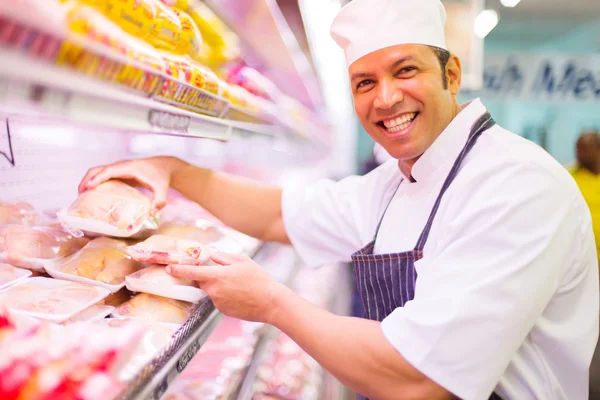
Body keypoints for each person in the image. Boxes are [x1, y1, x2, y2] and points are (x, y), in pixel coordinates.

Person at [79, 0, 599, 398]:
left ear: (452, 74)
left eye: (406, 70)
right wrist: (172, 169)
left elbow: (421, 381)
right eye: (364, 82)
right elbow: (278, 214)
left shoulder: (516, 186)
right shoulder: (398, 180)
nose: (386, 98)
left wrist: (273, 303)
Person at [569, 130, 600, 257]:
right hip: (581, 255)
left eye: (584, 149)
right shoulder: (568, 176)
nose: (579, 154)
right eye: (577, 149)